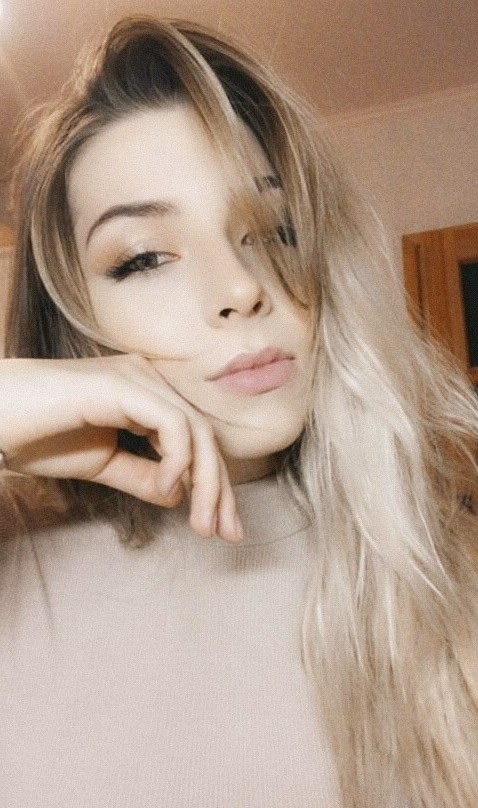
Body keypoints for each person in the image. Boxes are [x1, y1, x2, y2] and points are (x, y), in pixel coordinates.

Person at [0, 14, 477, 808]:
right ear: (72, 323)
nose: (240, 289)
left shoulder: (442, 570)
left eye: (273, 230)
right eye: (144, 257)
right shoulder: (14, 551)